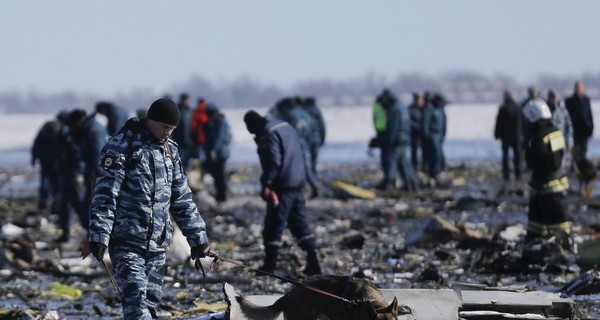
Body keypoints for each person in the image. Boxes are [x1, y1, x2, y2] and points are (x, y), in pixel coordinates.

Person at [88, 98, 210, 319]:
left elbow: (181, 199)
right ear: (151, 120)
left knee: (150, 307)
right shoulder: (122, 145)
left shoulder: (170, 151)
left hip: (158, 245)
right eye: (165, 127)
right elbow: (106, 194)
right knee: (136, 305)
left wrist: (198, 239)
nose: (168, 133)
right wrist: (98, 235)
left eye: (172, 129)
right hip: (126, 242)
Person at [243, 109, 322, 276]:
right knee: (299, 223)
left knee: (273, 225)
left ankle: (269, 265)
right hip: (298, 182)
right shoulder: (284, 126)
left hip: (282, 186)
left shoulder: (267, 133)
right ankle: (314, 260)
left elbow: (273, 161)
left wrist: (266, 183)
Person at [523, 98, 569, 242]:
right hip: (557, 184)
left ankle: (561, 246)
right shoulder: (556, 132)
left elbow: (534, 160)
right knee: (539, 223)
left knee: (557, 227)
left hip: (544, 186)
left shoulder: (538, 137)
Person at [31, 110, 69, 216]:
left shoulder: (49, 125)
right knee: (57, 185)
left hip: (46, 160)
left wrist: (34, 157)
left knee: (46, 184)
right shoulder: (64, 128)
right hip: (55, 161)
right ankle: (54, 208)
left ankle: (43, 206)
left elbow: (37, 141)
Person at [377, 90, 417, 191]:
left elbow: (393, 128)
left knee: (391, 161)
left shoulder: (394, 109)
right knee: (403, 162)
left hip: (396, 140)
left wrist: (388, 141)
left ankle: (389, 183)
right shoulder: (402, 108)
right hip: (404, 139)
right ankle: (410, 183)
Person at [202, 103, 232, 202]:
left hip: (220, 153)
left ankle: (222, 195)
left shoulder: (220, 122)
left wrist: (213, 150)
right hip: (217, 152)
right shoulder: (214, 122)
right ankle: (220, 194)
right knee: (216, 173)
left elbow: (218, 138)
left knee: (220, 174)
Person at [494, 90, 523, 183]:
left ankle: (506, 173)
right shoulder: (518, 107)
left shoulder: (503, 108)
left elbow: (499, 122)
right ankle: (518, 172)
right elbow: (523, 122)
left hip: (506, 136)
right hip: (517, 136)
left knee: (506, 155)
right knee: (517, 155)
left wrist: (497, 134)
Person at [300, 96, 326, 190]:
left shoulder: (303, 111)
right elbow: (322, 125)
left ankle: (310, 180)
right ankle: (313, 177)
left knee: (305, 161)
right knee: (314, 160)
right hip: (317, 138)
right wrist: (323, 138)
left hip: (308, 139)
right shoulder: (317, 110)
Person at [564, 81, 594, 159]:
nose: (579, 89)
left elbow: (589, 114)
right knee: (575, 151)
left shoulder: (586, 99)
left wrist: (591, 127)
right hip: (574, 131)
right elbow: (566, 117)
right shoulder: (570, 101)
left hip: (585, 130)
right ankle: (575, 167)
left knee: (584, 150)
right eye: (578, 88)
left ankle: (582, 168)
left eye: (581, 88)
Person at [422, 93, 447, 182]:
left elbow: (444, 124)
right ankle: (434, 172)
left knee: (438, 154)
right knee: (435, 154)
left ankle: (437, 170)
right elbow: (426, 123)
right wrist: (427, 135)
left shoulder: (440, 110)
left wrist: (443, 134)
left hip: (439, 135)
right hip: (433, 134)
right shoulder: (430, 109)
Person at [547, 89, 574, 171]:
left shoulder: (563, 111)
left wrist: (569, 142)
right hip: (549, 143)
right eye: (552, 98)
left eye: (556, 98)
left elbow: (569, 127)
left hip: (561, 142)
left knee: (562, 165)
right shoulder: (546, 112)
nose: (554, 100)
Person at [171, 93, 194, 168]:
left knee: (187, 162)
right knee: (180, 162)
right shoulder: (177, 111)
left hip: (188, 141)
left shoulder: (189, 111)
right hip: (179, 140)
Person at [408, 93, 424, 171]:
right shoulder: (411, 109)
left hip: (422, 134)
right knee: (414, 152)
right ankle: (414, 167)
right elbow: (408, 122)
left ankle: (422, 167)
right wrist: (417, 127)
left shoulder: (423, 108)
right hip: (414, 134)